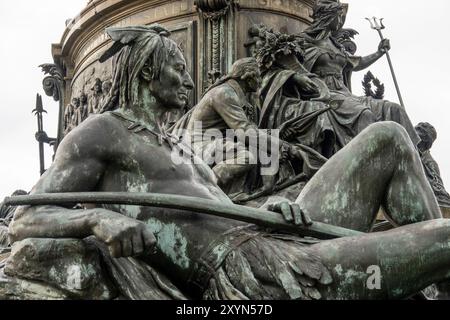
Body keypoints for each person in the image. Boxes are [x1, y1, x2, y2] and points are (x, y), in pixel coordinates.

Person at [10, 24, 450, 300]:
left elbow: (219, 207)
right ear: (147, 72)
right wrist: (96, 220)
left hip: (270, 233)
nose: (189, 80)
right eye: (178, 69)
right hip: (252, 271)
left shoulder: (179, 143)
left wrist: (267, 210)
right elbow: (25, 219)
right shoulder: (103, 131)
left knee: (388, 137)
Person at [298, 0, 419, 146]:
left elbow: (357, 63)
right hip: (325, 93)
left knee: (394, 110)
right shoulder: (304, 41)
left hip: (345, 94)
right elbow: (292, 67)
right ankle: (371, 162)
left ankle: (416, 157)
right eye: (339, 15)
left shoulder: (335, 45)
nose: (340, 20)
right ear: (329, 16)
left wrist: (379, 52)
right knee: (364, 115)